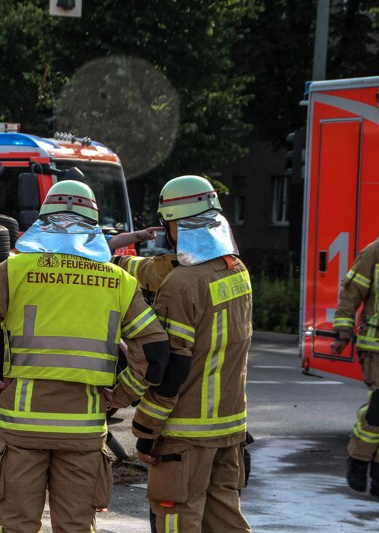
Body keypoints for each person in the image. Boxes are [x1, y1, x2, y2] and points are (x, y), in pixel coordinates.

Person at [0, 179, 171, 533]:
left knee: (17, 525)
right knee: (77, 526)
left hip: (21, 425)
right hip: (83, 430)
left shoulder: (16, 271)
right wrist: (122, 395)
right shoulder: (119, 282)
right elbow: (155, 352)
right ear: (94, 224)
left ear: (44, 218)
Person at [129, 175, 252, 533]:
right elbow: (162, 269)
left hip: (185, 433)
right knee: (224, 517)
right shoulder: (236, 271)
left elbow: (173, 366)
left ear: (176, 224)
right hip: (229, 429)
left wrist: (145, 429)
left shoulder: (182, 286)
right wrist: (116, 264)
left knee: (176, 517)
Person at [331, 238, 379, 496]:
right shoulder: (374, 252)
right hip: (377, 347)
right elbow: (351, 294)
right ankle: (358, 460)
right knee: (378, 410)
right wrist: (342, 332)